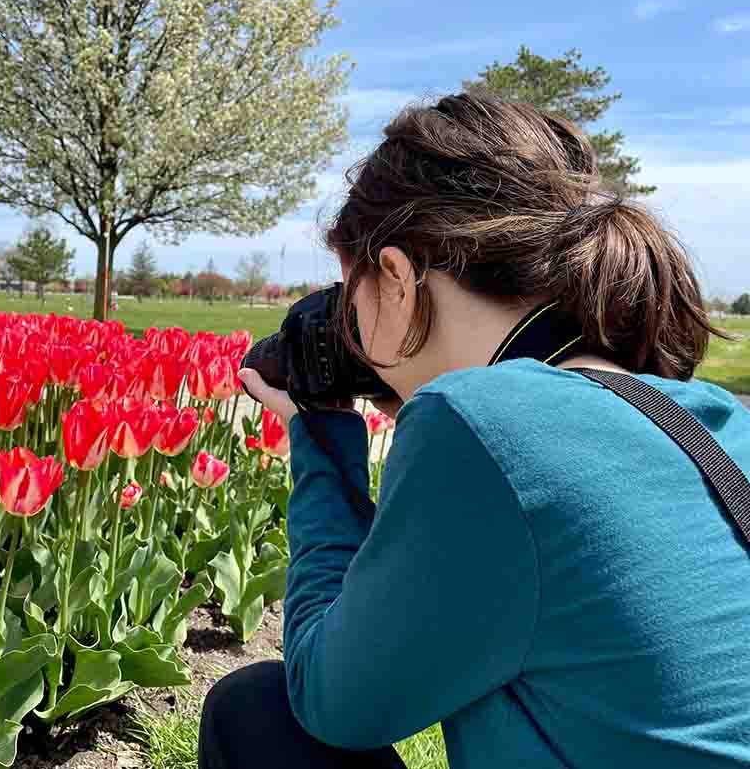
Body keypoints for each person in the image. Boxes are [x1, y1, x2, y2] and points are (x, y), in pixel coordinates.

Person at [199, 93, 750, 768]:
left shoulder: (480, 422)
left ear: (396, 277)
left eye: (351, 294)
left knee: (256, 714)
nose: (348, 329)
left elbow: (332, 699)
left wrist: (317, 438)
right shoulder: (714, 417)